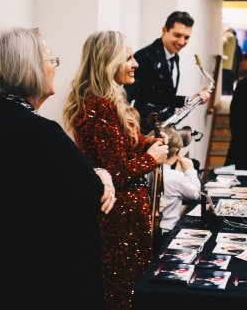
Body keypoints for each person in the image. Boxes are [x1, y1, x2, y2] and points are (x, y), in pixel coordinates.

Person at [0, 28, 116, 309]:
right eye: (51, 60)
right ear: (29, 68)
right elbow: (93, 194)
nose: (54, 67)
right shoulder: (38, 131)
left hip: (12, 263)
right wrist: (102, 174)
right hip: (48, 271)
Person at [63, 31, 169, 310]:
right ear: (108, 62)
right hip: (119, 217)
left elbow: (118, 148)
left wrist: (148, 142)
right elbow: (117, 171)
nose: (136, 64)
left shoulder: (102, 101)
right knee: (122, 292)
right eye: (129, 58)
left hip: (125, 216)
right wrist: (152, 158)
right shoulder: (100, 106)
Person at [125, 11, 210, 133]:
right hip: (146, 132)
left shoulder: (174, 56)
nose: (181, 42)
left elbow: (163, 97)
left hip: (164, 128)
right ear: (164, 30)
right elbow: (127, 96)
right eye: (177, 35)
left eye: (186, 37)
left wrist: (190, 99)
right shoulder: (145, 56)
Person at [159, 127, 201, 234]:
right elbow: (196, 194)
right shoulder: (175, 177)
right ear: (177, 151)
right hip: (167, 231)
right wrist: (190, 169)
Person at [221, 28, 237, 95]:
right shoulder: (234, 40)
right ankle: (229, 91)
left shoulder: (224, 39)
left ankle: (224, 91)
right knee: (229, 79)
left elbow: (221, 49)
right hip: (231, 64)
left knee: (224, 79)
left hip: (224, 63)